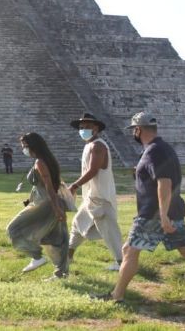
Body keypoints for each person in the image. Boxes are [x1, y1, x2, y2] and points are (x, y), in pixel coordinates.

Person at [104, 111, 185, 311]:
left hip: (153, 215)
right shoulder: (162, 148)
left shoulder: (154, 151)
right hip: (169, 211)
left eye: (134, 130)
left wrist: (163, 215)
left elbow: (164, 183)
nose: (134, 134)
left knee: (130, 251)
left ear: (138, 130)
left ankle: (116, 296)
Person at [6, 132, 69, 280]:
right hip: (46, 203)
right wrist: (30, 201)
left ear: (32, 146)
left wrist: (56, 208)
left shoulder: (40, 162)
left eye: (25, 146)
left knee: (13, 229)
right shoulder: (46, 160)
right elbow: (41, 187)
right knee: (55, 238)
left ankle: (36, 257)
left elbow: (49, 187)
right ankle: (60, 273)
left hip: (46, 204)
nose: (23, 149)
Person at [66, 113, 124, 271]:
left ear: (96, 128)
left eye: (87, 127)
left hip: (101, 198)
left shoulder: (98, 146)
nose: (83, 129)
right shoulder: (89, 145)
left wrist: (75, 185)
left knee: (110, 232)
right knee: (77, 224)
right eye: (81, 127)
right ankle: (68, 256)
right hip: (91, 197)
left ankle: (121, 263)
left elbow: (93, 170)